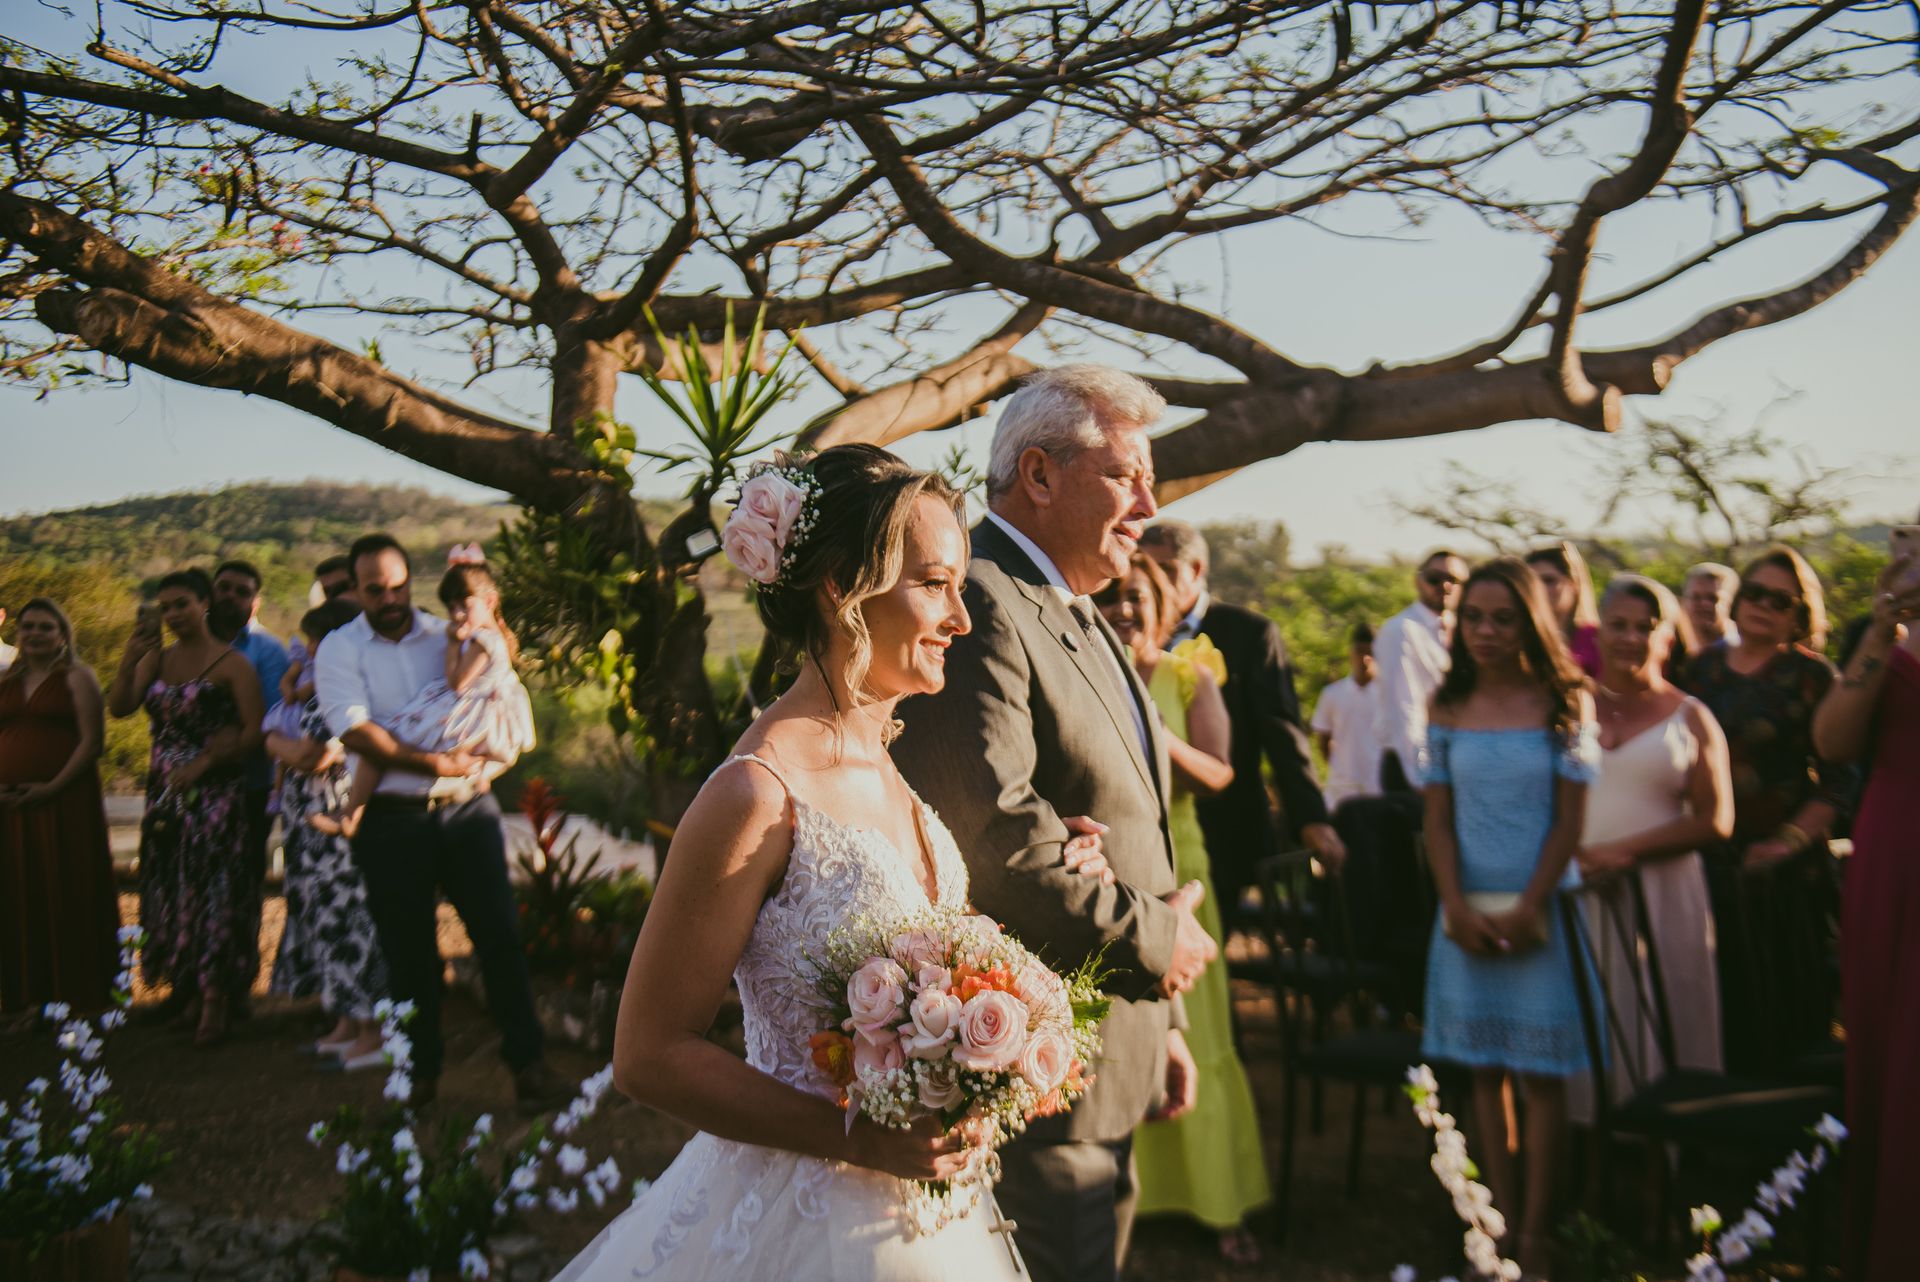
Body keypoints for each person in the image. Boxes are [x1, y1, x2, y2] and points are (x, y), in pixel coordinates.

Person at [554, 445, 1116, 1282]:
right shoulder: (757, 792)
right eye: (934, 584)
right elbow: (648, 1053)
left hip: (930, 1220)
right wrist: (862, 1137)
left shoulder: (885, 762)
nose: (961, 619)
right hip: (804, 1224)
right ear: (842, 585)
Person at [894, 366, 1216, 1282]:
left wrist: (1171, 1024)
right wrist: (1163, 943)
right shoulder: (984, 602)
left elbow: (1133, 830)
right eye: (1128, 477)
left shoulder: (1086, 613)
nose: (1149, 505)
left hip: (1117, 1038)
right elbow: (998, 843)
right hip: (1036, 1069)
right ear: (1038, 475)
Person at [312, 533, 567, 1112]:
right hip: (392, 820)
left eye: (399, 585)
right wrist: (431, 760)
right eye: (375, 590)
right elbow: (354, 731)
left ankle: (529, 1068)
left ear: (410, 578)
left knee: (500, 939)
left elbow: (490, 691)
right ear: (356, 590)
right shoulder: (339, 649)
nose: (390, 598)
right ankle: (419, 1078)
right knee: (408, 953)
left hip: (467, 810)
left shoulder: (445, 633)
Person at [1419, 557, 1597, 1276]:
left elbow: (1568, 823)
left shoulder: (1566, 699)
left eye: (1503, 617)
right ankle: (1490, 1227)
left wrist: (1531, 904)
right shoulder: (1447, 702)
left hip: (1539, 913)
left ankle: (1536, 1233)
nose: (1485, 631)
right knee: (1484, 1070)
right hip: (1463, 912)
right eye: (1474, 618)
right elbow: (1437, 820)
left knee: (1541, 1074)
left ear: (1531, 621)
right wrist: (1455, 906)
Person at [1095, 553, 1270, 1264]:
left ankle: (1220, 1204)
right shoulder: (1082, 674)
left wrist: (1152, 736)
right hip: (1106, 881)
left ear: (1162, 603)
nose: (1124, 609)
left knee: (1196, 1037)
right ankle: (1129, 1198)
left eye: (1136, 597)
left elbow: (1222, 771)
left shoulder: (1189, 673)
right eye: (1109, 596)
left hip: (1183, 873)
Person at [1678, 545, 1851, 1073]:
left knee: (1790, 1014)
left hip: (1786, 874)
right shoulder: (1698, 671)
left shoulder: (1815, 678)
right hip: (1708, 865)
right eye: (1754, 593)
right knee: (1716, 1007)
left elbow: (1842, 778)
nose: (1763, 606)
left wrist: (1788, 842)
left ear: (1800, 616)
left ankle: (1796, 1145)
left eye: (1781, 601)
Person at [1571, 576, 1734, 1119]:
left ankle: (1663, 1152)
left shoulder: (1692, 716)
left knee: (1664, 1015)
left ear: (1669, 637)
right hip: (1579, 886)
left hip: (1665, 892)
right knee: (1588, 1014)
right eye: (1619, 625)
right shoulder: (1568, 707)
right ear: (1600, 631)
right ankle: (1585, 1144)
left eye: (1647, 627)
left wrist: (1626, 853)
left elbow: (1717, 821)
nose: (1631, 638)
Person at [1140, 519, 1345, 916]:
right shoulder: (1130, 627)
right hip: (1147, 830)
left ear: (1196, 570)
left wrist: (1310, 818)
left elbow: (1282, 734)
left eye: (1165, 570)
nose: (1154, 583)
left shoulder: (1249, 634)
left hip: (1225, 829)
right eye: (1145, 570)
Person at [1811, 543, 1920, 1282]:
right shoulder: (1880, 638)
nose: (1904, 550)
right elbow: (1832, 742)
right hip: (1898, 851)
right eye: (1905, 538)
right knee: (1895, 1047)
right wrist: (1880, 635)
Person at [108, 568, 265, 1046]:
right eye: (166, 606)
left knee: (214, 888)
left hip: (216, 795)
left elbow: (256, 731)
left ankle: (215, 1001)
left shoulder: (233, 664)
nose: (174, 614)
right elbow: (120, 707)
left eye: (182, 604)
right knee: (172, 888)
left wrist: (207, 761)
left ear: (204, 604)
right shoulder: (157, 658)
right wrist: (131, 658)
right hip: (164, 794)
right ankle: (188, 991)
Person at [313, 555, 533, 839]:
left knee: (383, 742)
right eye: (451, 608)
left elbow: (458, 683)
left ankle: (352, 813)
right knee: (384, 743)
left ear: (489, 601)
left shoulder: (483, 640)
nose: (456, 616)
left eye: (464, 607)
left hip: (462, 709)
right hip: (467, 707)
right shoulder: (488, 637)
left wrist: (453, 643)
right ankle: (353, 812)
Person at [266, 598, 389, 1068]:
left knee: (352, 922)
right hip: (312, 826)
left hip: (339, 821)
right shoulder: (321, 685)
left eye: (317, 642)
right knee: (326, 922)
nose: (311, 652)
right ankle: (345, 1022)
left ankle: (371, 1031)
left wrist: (270, 741)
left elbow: (312, 755)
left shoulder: (345, 688)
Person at [0, 598, 119, 1013]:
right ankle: (26, 997)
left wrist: (51, 787)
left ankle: (74, 994)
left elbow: (93, 742)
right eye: (28, 626)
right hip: (11, 804)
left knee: (64, 886)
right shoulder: (7, 680)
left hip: (65, 798)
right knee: (18, 893)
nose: (35, 634)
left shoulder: (78, 677)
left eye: (45, 627)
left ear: (63, 634)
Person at [211, 558, 289, 995]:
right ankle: (191, 982)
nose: (231, 597)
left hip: (248, 786)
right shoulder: (189, 645)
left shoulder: (268, 651)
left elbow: (274, 723)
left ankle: (236, 983)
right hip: (193, 788)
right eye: (224, 588)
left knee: (241, 885)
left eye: (242, 591)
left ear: (255, 602)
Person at [1374, 549, 1468, 792]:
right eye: (1435, 578)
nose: (1445, 585)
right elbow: (1404, 710)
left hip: (1456, 762)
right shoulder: (1401, 630)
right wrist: (1422, 779)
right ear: (1418, 580)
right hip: (1414, 768)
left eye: (1454, 580)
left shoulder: (1467, 632)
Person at [1312, 622, 1385, 812]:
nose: (1365, 659)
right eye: (1360, 651)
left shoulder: (1388, 695)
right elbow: (1323, 738)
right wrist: (1339, 766)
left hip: (1378, 787)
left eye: (1371, 653)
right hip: (1341, 789)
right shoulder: (1333, 694)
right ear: (1351, 652)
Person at [1527, 541, 1602, 678]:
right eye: (1533, 581)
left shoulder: (1596, 639)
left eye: (1549, 580)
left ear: (1573, 584)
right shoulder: (1519, 639)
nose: (1540, 589)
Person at [1682, 562, 1740, 651]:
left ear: (1732, 603)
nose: (1704, 604)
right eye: (1696, 597)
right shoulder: (1675, 650)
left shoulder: (1739, 652)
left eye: (1713, 598)